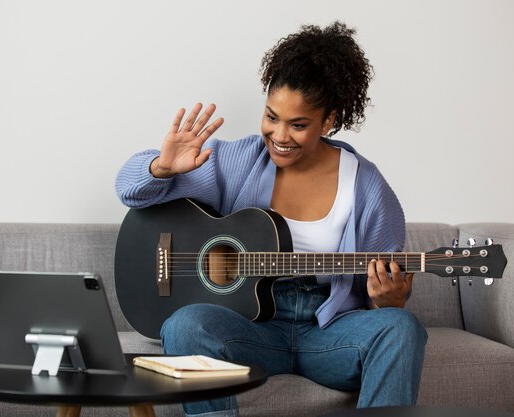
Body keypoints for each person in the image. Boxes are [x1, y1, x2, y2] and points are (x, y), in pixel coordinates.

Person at [116, 22, 428, 417]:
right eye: (271, 117)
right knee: (184, 325)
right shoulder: (238, 161)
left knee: (402, 329)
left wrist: (390, 301)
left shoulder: (365, 185)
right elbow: (128, 189)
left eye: (298, 125)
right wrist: (163, 167)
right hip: (249, 327)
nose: (280, 135)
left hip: (327, 331)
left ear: (328, 121)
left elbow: (382, 285)